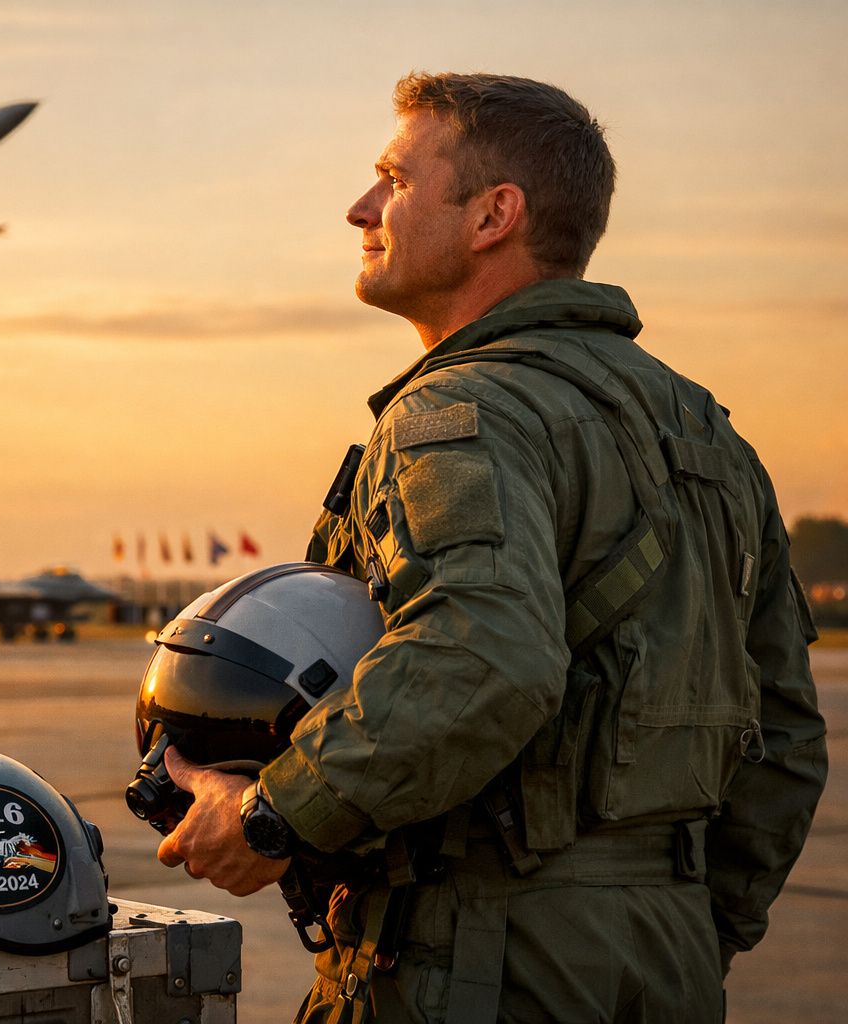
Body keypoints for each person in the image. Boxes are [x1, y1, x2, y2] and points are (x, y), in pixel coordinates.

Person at [156, 72, 828, 1023]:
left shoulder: (457, 413)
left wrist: (274, 818)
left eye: (394, 179)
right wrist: (678, 930)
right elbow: (786, 738)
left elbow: (484, 655)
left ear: (493, 216)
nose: (360, 208)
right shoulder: (708, 434)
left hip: (476, 959)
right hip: (664, 958)